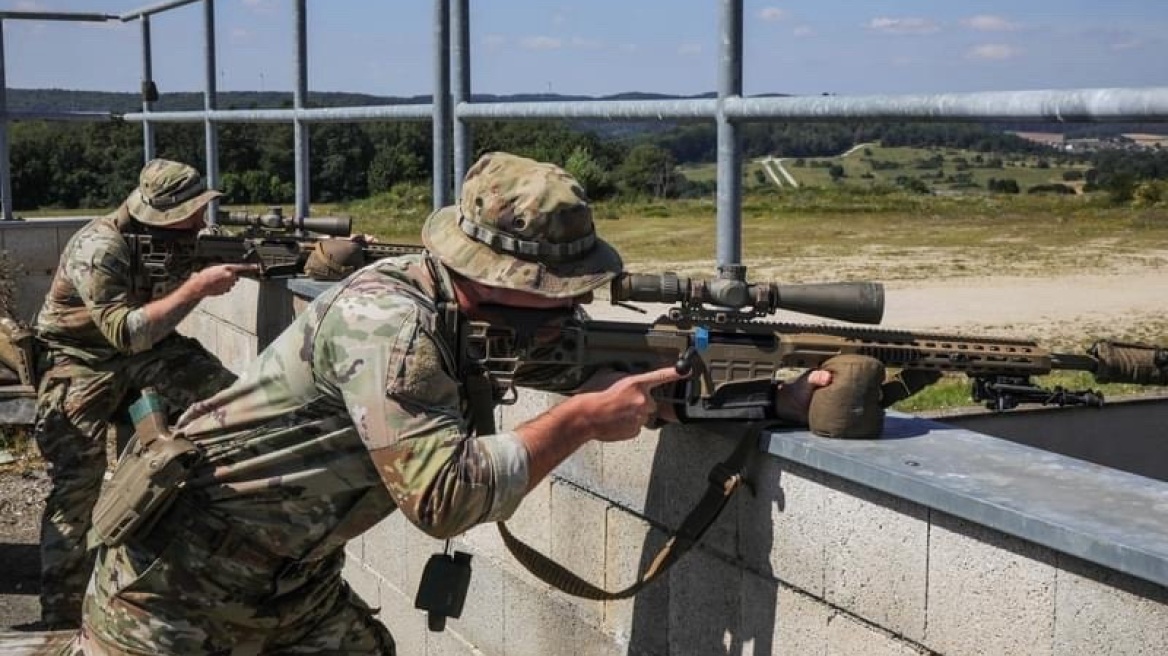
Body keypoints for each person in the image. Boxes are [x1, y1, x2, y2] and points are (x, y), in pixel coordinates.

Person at [67, 152, 834, 654]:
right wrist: (576, 424)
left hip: (287, 581)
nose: (562, 308)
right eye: (550, 291)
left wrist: (771, 394)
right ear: (495, 271)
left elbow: (598, 368)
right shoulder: (390, 324)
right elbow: (444, 499)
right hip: (170, 591)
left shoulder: (464, 311)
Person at [31, 158, 255, 629]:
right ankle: (62, 618)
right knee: (77, 488)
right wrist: (196, 287)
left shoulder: (179, 239)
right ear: (164, 214)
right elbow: (125, 333)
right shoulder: (100, 248)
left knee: (233, 400)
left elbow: (262, 254)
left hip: (142, 353)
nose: (201, 221)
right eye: (193, 212)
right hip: (79, 361)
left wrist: (330, 255)